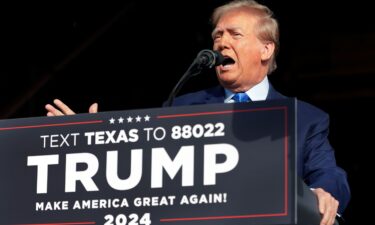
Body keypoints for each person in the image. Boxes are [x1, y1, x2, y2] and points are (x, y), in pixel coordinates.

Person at [45, 1, 350, 224]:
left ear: (266, 49)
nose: (221, 42)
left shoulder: (306, 118)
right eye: (217, 35)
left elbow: (329, 174)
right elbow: (138, 168)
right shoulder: (181, 107)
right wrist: (86, 141)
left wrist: (321, 194)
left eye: (235, 34)